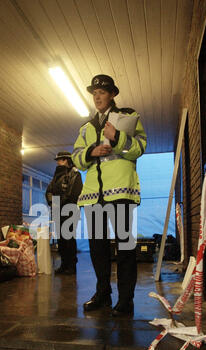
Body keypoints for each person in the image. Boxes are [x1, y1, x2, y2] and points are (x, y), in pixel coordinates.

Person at [71, 75, 147, 316]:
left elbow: (139, 149)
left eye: (102, 92)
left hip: (121, 191)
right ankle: (103, 293)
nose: (97, 96)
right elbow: (76, 158)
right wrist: (91, 152)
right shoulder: (85, 127)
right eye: (94, 92)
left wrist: (117, 138)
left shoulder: (128, 117)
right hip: (93, 196)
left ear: (112, 94)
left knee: (125, 247)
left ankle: (126, 300)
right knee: (97, 248)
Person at [45, 151, 82, 275]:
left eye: (59, 160)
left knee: (69, 239)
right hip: (57, 210)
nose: (57, 162)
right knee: (61, 239)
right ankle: (64, 264)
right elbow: (49, 191)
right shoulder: (55, 177)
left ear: (66, 160)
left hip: (69, 210)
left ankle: (71, 266)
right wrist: (53, 204)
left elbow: (74, 193)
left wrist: (60, 203)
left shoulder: (75, 174)